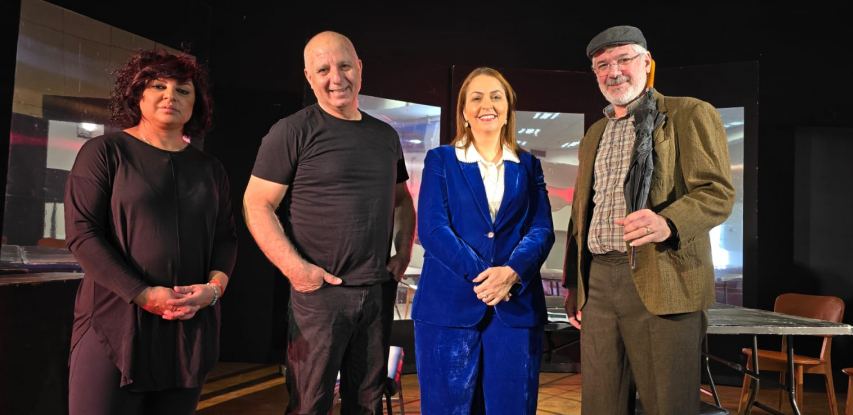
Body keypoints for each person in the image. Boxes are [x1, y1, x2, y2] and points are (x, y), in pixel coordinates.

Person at [562, 25, 735, 414]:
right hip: (599, 283)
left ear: (646, 62)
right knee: (600, 404)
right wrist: (576, 285)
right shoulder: (595, 133)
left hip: (663, 276)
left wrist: (668, 223)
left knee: (667, 403)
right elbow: (580, 214)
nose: (614, 71)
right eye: (603, 65)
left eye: (624, 59)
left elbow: (717, 193)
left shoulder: (689, 113)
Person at [243, 31, 415, 415]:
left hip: (376, 293)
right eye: (323, 70)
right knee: (309, 405)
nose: (336, 78)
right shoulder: (291, 131)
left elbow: (402, 200)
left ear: (360, 68)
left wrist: (402, 253)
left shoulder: (385, 136)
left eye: (344, 66)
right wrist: (296, 269)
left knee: (367, 404)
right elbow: (256, 204)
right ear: (309, 77)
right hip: (318, 297)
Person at [65, 49, 237, 415]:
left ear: (196, 103)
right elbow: (83, 234)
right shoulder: (104, 152)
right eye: (159, 85)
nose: (170, 96)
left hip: (187, 326)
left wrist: (213, 291)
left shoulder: (210, 169)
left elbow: (225, 239)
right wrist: (142, 294)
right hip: (114, 318)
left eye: (183, 90)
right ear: (138, 93)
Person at [412, 67, 555, 415]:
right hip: (446, 310)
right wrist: (488, 279)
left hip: (515, 309)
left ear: (508, 109)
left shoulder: (529, 165)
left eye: (495, 96)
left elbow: (541, 229)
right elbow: (432, 229)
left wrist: (511, 273)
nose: (486, 104)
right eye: (475, 98)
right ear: (464, 111)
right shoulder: (440, 160)